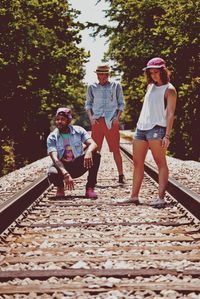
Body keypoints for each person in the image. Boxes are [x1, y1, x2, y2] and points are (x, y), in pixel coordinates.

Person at [125, 57, 177, 207]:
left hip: (157, 129)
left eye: (156, 72)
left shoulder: (170, 89)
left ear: (163, 71)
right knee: (137, 163)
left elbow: (170, 114)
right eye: (151, 72)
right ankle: (134, 196)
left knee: (160, 163)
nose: (154, 75)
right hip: (141, 129)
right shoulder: (149, 86)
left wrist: (167, 135)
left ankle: (161, 197)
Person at [47, 107, 101, 198]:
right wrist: (65, 174)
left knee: (96, 155)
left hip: (77, 165)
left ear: (69, 120)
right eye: (57, 119)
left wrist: (88, 152)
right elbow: (55, 159)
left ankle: (90, 188)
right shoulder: (52, 137)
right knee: (52, 173)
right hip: (62, 166)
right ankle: (60, 188)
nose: (59, 122)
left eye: (62, 119)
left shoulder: (78, 130)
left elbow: (93, 144)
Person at [85, 64, 125, 184]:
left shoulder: (116, 85)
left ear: (108, 74)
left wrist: (117, 118)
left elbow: (121, 103)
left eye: (103, 74)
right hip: (97, 121)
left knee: (116, 149)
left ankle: (121, 175)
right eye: (99, 74)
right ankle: (92, 178)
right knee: (94, 150)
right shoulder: (91, 87)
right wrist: (91, 118)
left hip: (111, 121)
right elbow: (88, 104)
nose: (101, 76)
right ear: (96, 74)